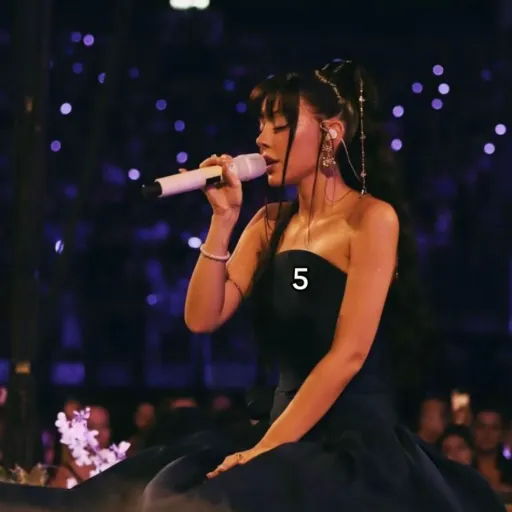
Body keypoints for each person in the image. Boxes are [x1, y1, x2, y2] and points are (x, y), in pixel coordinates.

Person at [0, 59, 507, 512]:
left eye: (280, 126)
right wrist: (222, 221)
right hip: (277, 427)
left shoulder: (370, 219)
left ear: (331, 134)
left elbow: (348, 355)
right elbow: (202, 318)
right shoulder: (268, 223)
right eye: (261, 125)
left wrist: (266, 450)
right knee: (135, 494)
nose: (262, 139)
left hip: (346, 441)